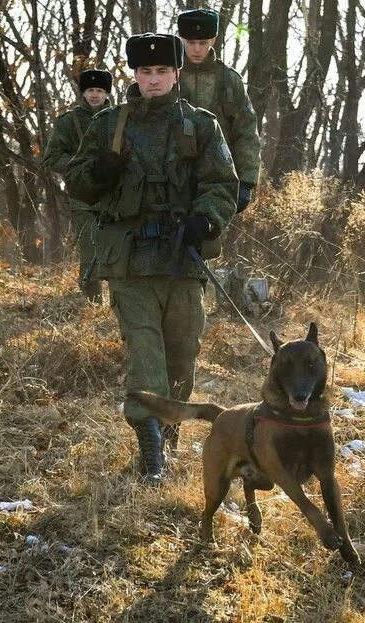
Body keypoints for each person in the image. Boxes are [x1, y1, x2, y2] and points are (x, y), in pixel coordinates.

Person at [65, 34, 238, 484]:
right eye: (145, 72)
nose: (154, 80)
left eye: (162, 72)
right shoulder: (108, 125)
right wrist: (100, 170)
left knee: (182, 356)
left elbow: (222, 183)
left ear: (176, 73)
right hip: (131, 262)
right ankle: (152, 458)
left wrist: (206, 220)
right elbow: (78, 185)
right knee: (147, 359)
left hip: (183, 261)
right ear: (134, 75)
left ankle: (170, 440)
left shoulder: (201, 125)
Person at [176, 8, 261, 212]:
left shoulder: (229, 81)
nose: (197, 49)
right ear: (181, 39)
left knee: (211, 240)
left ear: (213, 40)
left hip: (218, 179)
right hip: (174, 178)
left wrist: (246, 181)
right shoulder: (167, 76)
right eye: (191, 42)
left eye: (203, 42)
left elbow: (246, 131)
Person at [42, 68, 113, 303]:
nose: (94, 95)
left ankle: (121, 300)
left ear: (106, 93)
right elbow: (51, 157)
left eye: (99, 90)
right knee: (90, 246)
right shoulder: (69, 121)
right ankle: (93, 301)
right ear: (84, 93)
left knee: (118, 247)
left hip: (114, 194)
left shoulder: (118, 118)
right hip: (82, 195)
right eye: (91, 90)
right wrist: (79, 166)